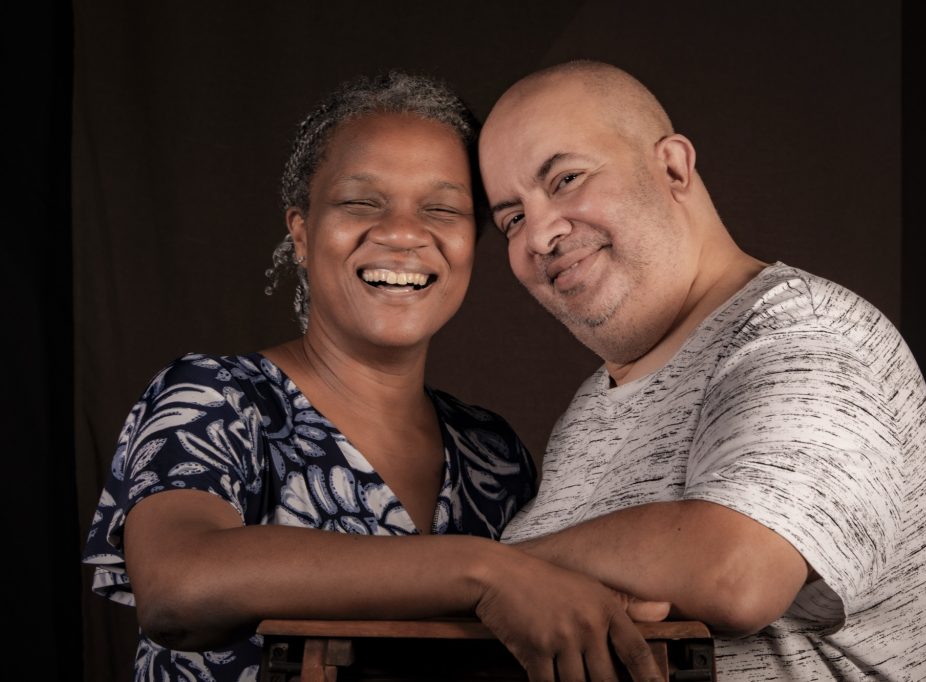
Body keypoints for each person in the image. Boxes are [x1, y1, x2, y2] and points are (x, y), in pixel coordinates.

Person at [82, 71, 669, 682]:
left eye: (442, 209)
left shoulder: (491, 454)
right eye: (361, 202)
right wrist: (485, 571)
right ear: (303, 234)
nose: (403, 234)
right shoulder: (216, 399)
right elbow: (179, 586)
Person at [479, 60, 926, 680]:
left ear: (672, 167)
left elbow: (738, 572)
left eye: (566, 179)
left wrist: (493, 575)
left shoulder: (809, 329)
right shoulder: (590, 408)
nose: (539, 236)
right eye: (512, 218)